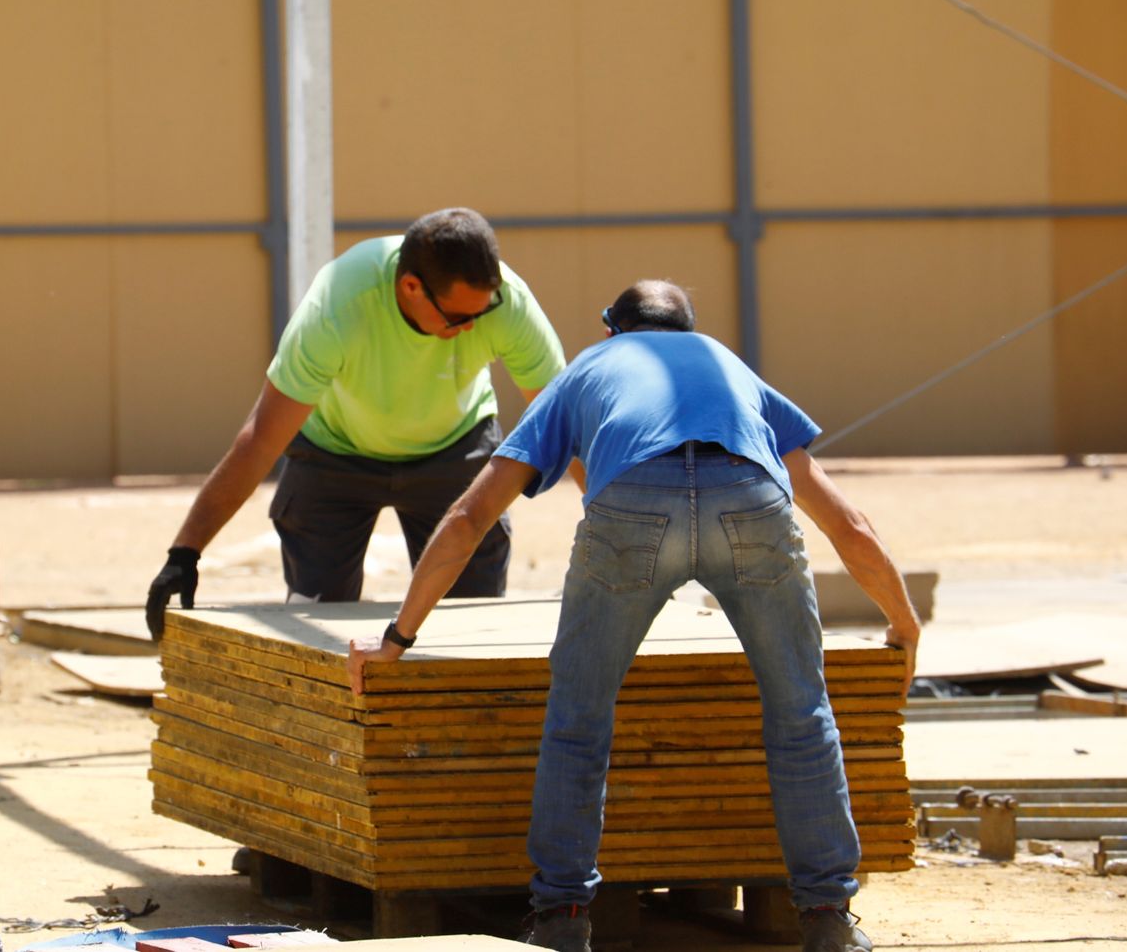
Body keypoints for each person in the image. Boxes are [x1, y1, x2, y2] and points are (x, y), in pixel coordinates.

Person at [347, 280, 923, 952]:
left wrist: (398, 637)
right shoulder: (725, 364)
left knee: (579, 719)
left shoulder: (588, 367)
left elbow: (470, 514)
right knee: (801, 713)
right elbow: (844, 520)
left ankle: (562, 917)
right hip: (750, 501)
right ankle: (827, 916)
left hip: (632, 507)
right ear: (686, 328)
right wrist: (903, 622)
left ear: (612, 329)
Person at [145, 207, 571, 640]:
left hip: (455, 448)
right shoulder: (339, 307)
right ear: (411, 287)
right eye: (458, 320)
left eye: (483, 313)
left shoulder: (506, 304)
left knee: (471, 623)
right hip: (334, 454)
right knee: (316, 624)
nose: (472, 327)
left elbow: (566, 423)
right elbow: (260, 442)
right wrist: (185, 553)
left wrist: (622, 522)